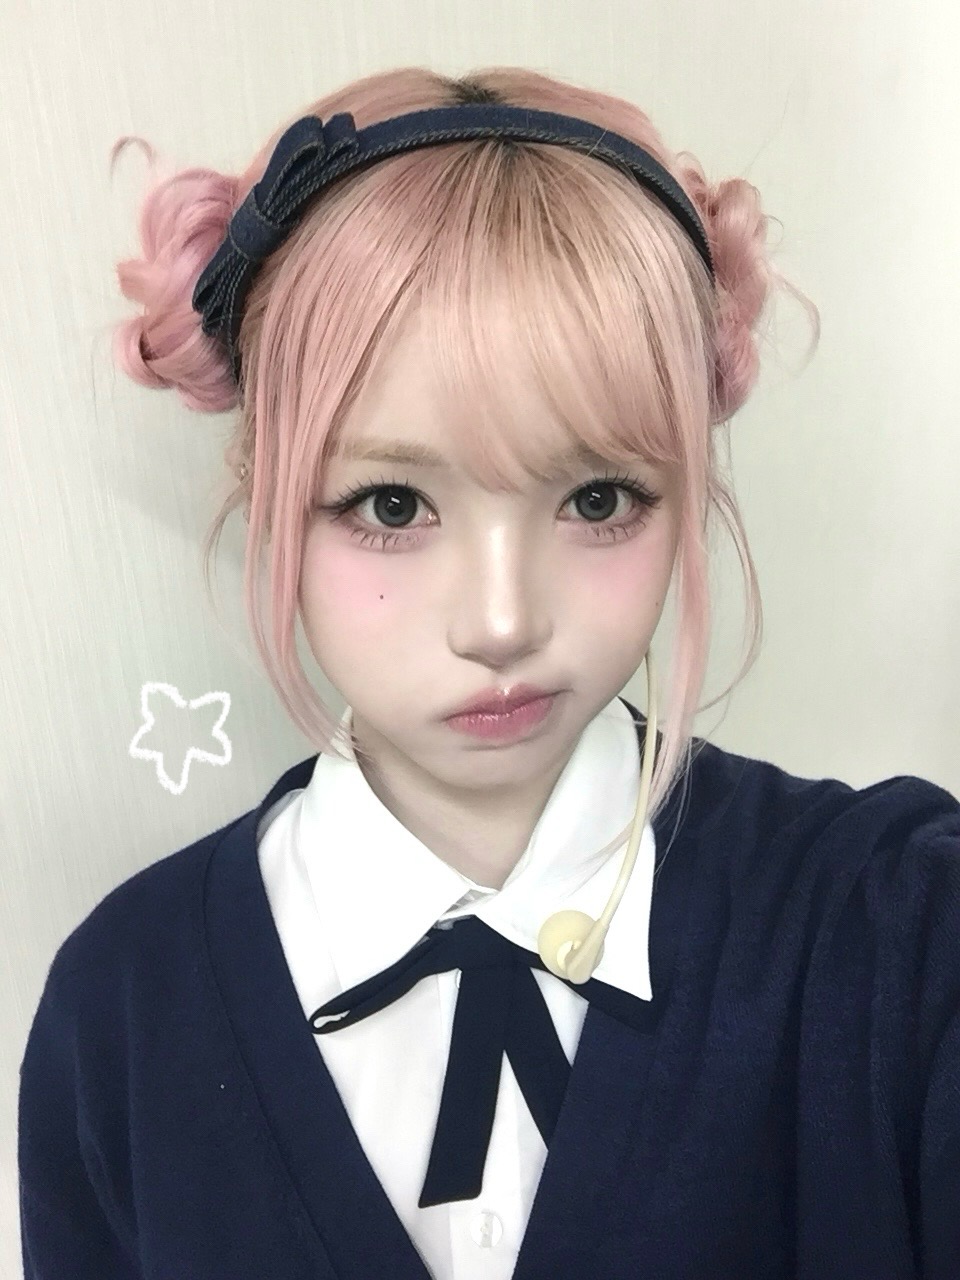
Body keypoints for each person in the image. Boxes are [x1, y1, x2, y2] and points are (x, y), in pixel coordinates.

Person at [17, 65, 960, 1280]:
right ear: (266, 491)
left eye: (599, 497)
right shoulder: (121, 1006)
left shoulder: (898, 928)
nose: (503, 622)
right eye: (391, 503)